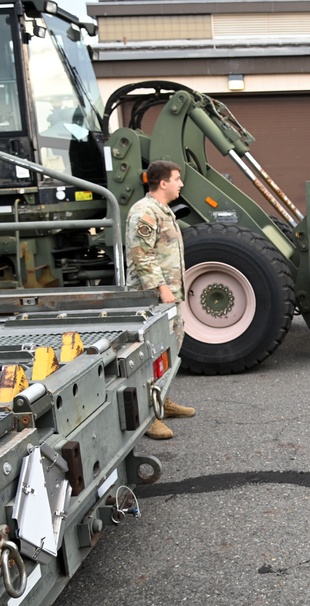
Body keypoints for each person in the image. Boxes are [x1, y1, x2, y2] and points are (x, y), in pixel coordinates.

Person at [125, 159, 196, 440]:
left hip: (167, 297)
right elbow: (142, 255)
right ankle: (147, 417)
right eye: (177, 179)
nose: (180, 184)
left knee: (167, 351)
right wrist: (162, 290)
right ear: (163, 182)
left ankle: (161, 399)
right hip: (151, 299)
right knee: (148, 354)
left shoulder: (163, 210)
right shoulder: (144, 211)